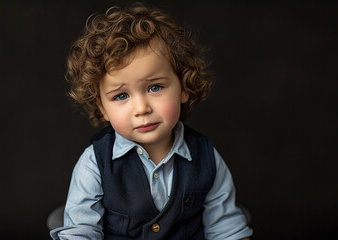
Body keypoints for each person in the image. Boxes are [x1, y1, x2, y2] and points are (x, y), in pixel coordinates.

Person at [51, 2, 253, 240]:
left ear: (183, 88)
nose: (142, 108)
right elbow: (81, 233)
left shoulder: (206, 158)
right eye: (121, 96)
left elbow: (226, 229)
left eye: (155, 87)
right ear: (102, 108)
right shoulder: (94, 164)